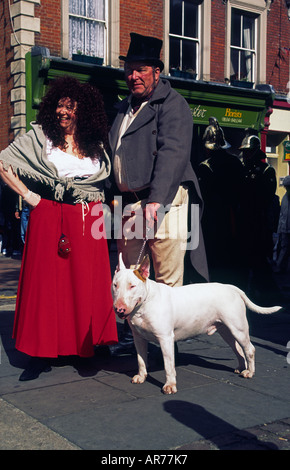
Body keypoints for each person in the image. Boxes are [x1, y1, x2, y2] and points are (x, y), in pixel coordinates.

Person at [0, 76, 118, 380]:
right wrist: (28, 196)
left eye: (70, 106)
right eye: (58, 106)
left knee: (86, 282)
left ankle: (86, 345)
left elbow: (103, 184)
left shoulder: (96, 146)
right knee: (45, 283)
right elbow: (4, 162)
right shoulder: (40, 139)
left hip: (88, 216)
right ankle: (40, 351)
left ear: (84, 110)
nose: (62, 112)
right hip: (48, 213)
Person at [108, 33, 208, 355]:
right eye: (129, 70)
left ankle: (168, 346)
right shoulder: (123, 108)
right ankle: (135, 339)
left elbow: (173, 154)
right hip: (130, 204)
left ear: (156, 71)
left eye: (140, 70)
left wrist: (156, 199)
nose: (133, 76)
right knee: (130, 276)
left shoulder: (173, 104)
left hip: (164, 200)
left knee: (165, 278)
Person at [197, 117, 244, 285]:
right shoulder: (236, 162)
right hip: (235, 217)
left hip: (211, 220)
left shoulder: (205, 166)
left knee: (213, 260)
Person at [238, 133, 278, 304]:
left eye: (248, 151)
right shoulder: (242, 169)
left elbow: (267, 197)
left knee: (261, 259)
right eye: (244, 151)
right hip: (245, 220)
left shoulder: (267, 170)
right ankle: (248, 289)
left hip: (260, 221)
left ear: (255, 151)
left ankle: (267, 292)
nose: (245, 154)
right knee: (245, 259)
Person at [275, 175, 290, 273]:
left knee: (285, 249)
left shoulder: (285, 198)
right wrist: (280, 229)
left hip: (286, 228)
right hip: (285, 229)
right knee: (284, 249)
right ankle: (279, 266)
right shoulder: (285, 198)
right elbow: (282, 215)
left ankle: (280, 266)